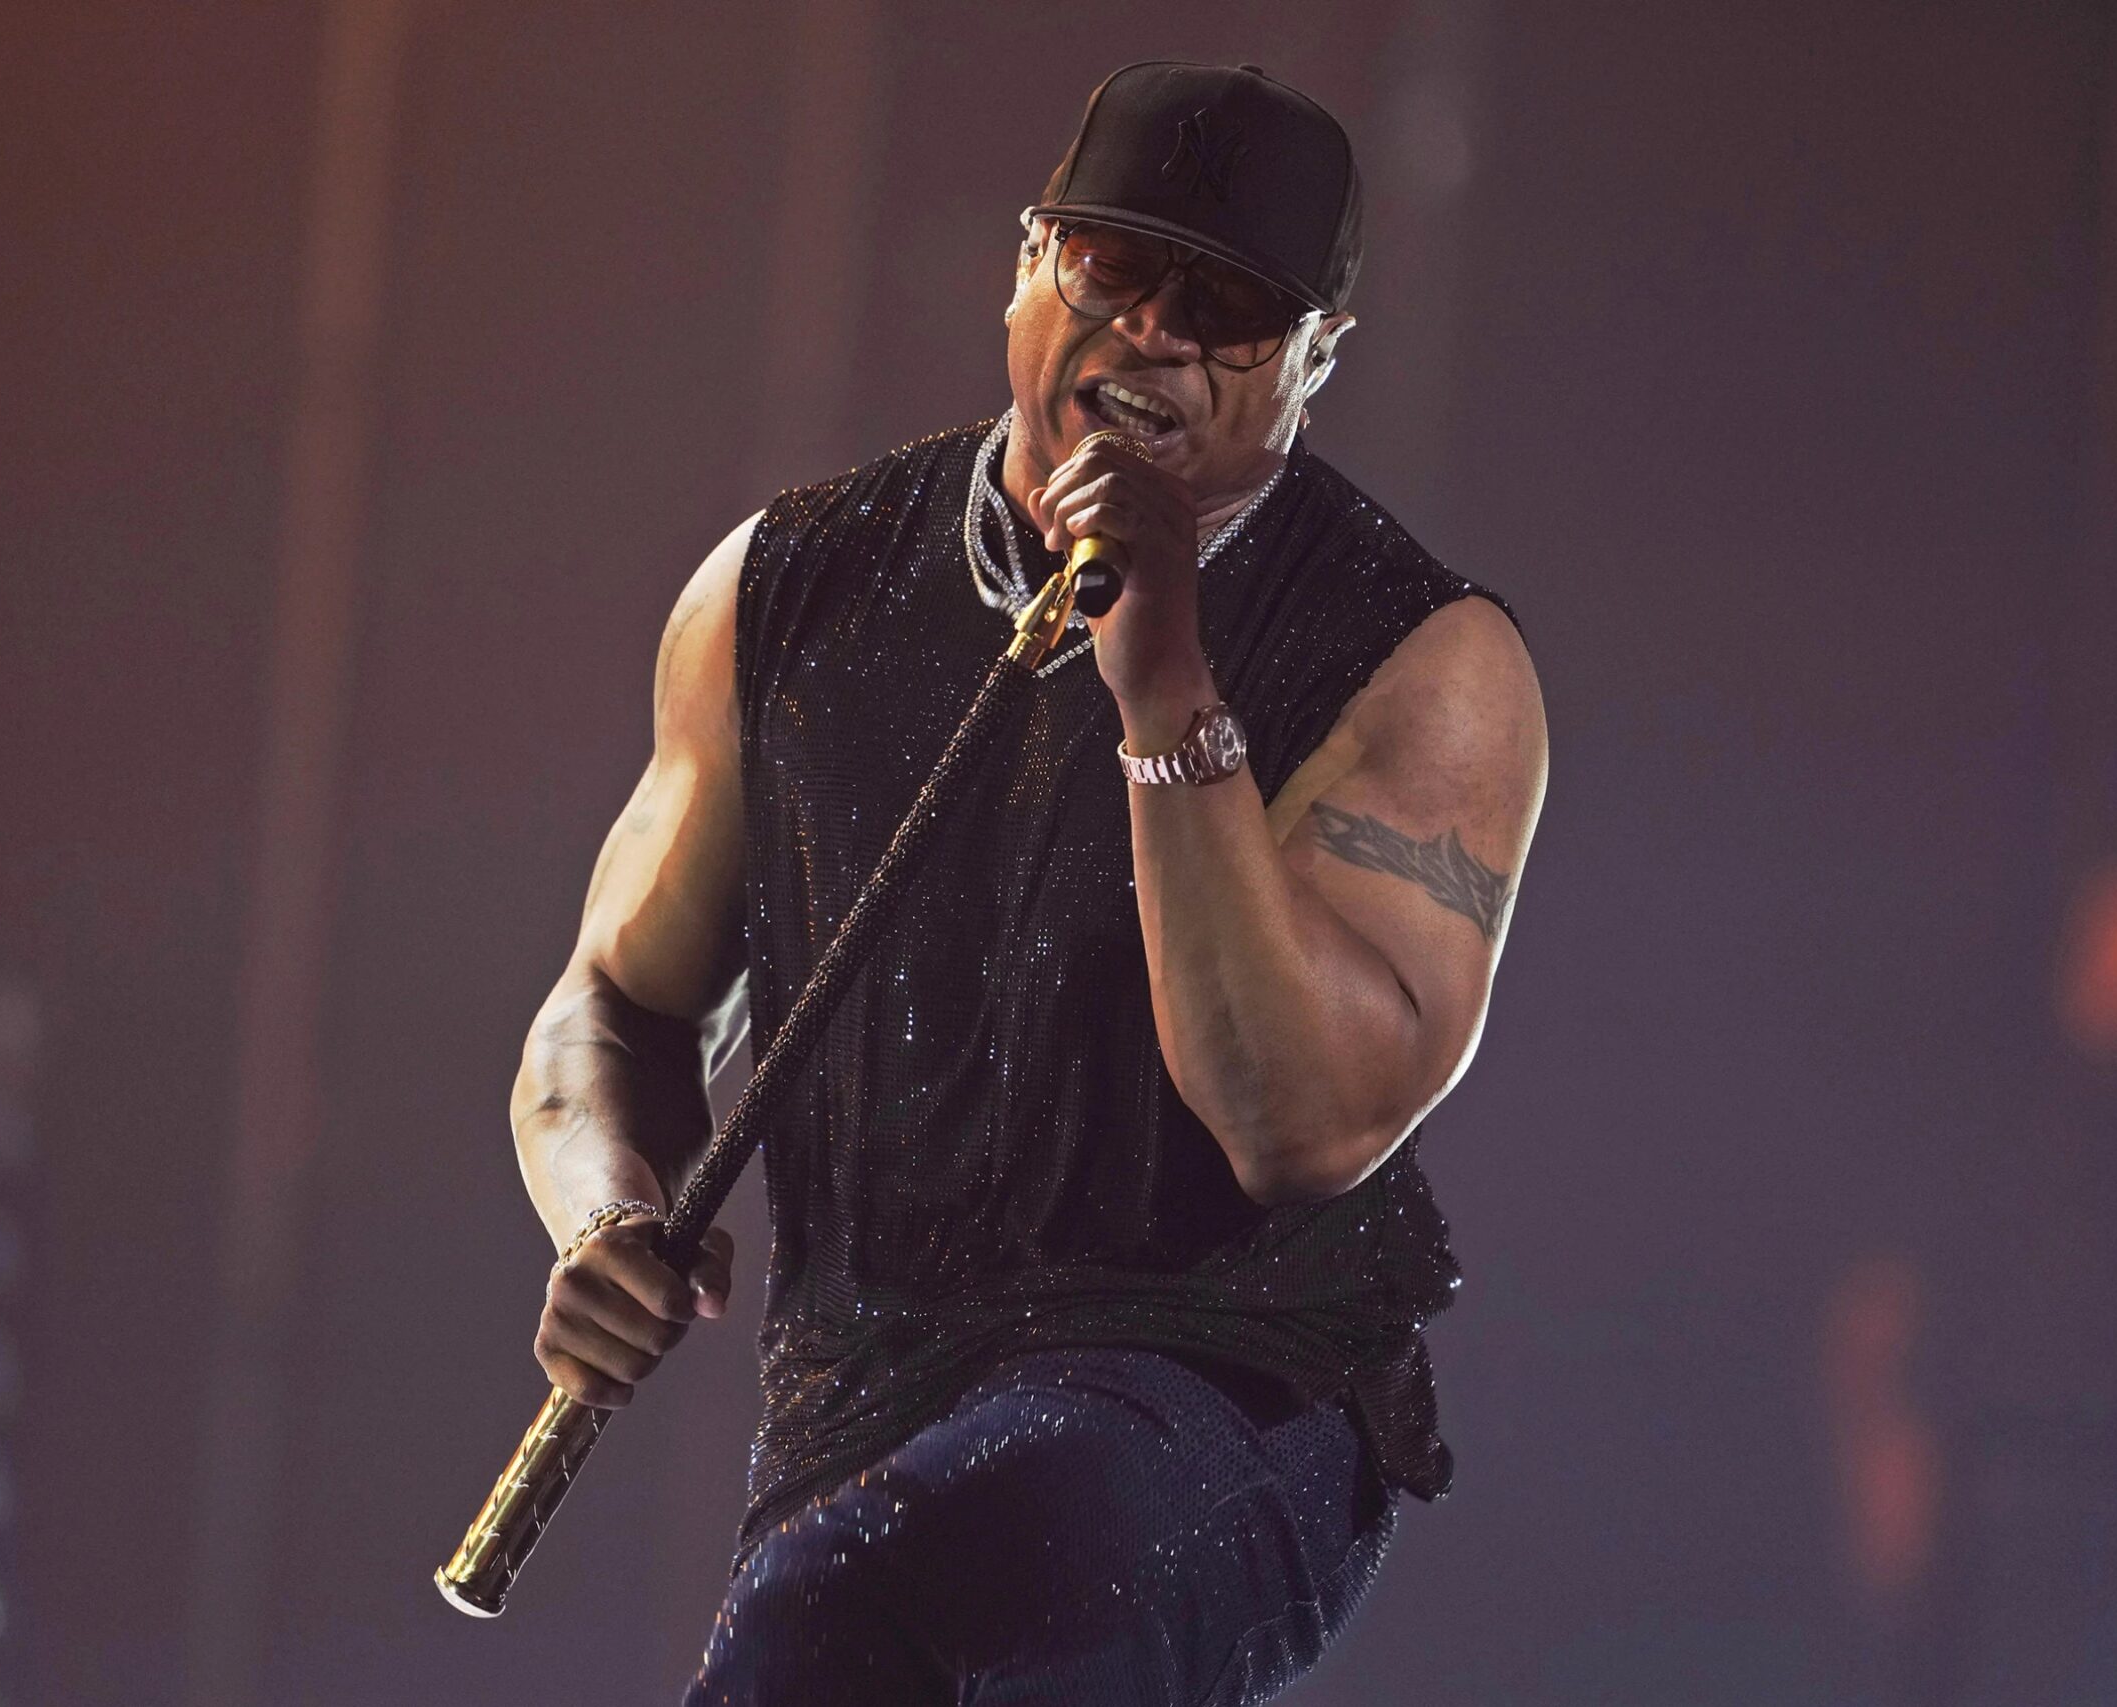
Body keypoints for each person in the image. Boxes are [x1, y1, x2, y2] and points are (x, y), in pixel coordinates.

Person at [510, 60, 1547, 1703]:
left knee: (904, 1588)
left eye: (1225, 314)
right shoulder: (783, 588)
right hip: (866, 1416)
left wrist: (1167, 690)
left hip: (1220, 1395)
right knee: (848, 1600)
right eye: (1112, 269)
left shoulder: (1425, 665)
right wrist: (611, 1210)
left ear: (1315, 364)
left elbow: (1294, 1123)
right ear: (1026, 264)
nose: (1150, 333)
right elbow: (614, 1010)